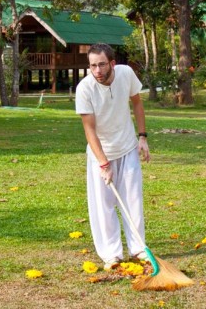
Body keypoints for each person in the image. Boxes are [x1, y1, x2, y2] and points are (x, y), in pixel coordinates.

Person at [75, 43, 150, 270]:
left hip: (127, 147)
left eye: (101, 65)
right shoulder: (84, 89)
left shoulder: (126, 74)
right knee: (104, 205)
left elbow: (137, 103)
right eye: (92, 66)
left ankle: (138, 250)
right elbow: (89, 130)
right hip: (101, 152)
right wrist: (103, 163)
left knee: (133, 200)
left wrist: (143, 137)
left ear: (112, 64)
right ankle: (112, 254)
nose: (97, 70)